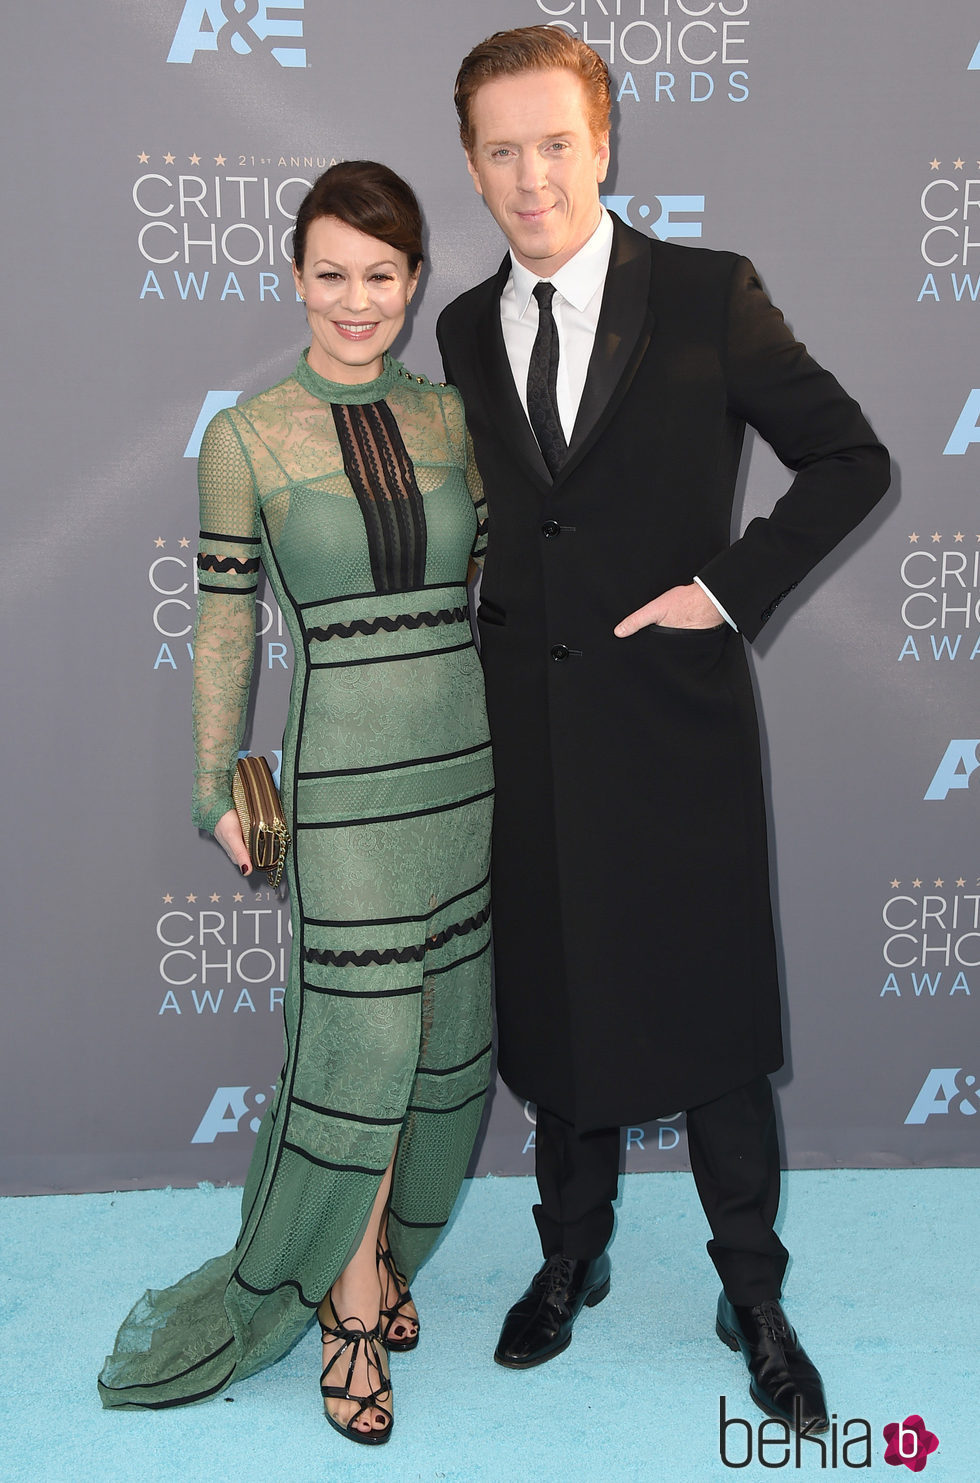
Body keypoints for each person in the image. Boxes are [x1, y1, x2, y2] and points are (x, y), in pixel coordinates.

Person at [437, 27, 889, 1434]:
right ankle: (568, 1257)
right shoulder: (457, 327)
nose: (530, 177)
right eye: (500, 149)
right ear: (471, 161)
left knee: (712, 1030)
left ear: (605, 139)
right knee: (559, 1007)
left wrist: (726, 589)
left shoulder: (704, 294)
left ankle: (751, 1290)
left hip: (672, 727)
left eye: (554, 142)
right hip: (530, 730)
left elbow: (851, 455)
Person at [99, 161, 493, 1446]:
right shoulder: (247, 436)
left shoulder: (451, 417)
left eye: (381, 274)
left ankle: (384, 1256)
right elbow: (226, 627)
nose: (357, 299)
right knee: (360, 1058)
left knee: (446, 1053)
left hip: (463, 776)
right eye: (331, 273)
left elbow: (501, 591)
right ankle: (347, 1300)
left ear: (414, 279)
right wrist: (214, 781)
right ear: (294, 277)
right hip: (340, 797)